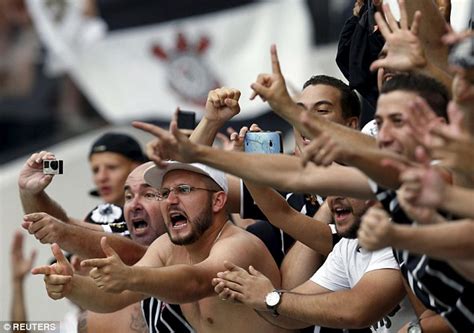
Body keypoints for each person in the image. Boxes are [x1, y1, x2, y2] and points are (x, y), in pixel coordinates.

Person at [131, 71, 472, 331]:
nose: (385, 135)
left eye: (396, 123)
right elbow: (288, 190)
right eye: (381, 124)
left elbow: (359, 309)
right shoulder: (356, 234)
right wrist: (203, 149)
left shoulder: (435, 182)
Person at [32, 162, 291, 333]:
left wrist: (129, 275)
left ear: (218, 200)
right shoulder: (166, 246)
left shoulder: (238, 245)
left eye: (184, 190)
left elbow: (194, 282)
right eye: (165, 193)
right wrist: (71, 285)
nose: (172, 200)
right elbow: (112, 297)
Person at [213, 196, 416, 331]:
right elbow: (293, 317)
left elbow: (357, 310)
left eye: (346, 186)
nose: (333, 198)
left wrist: (270, 298)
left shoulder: (401, 232)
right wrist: (251, 296)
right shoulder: (348, 244)